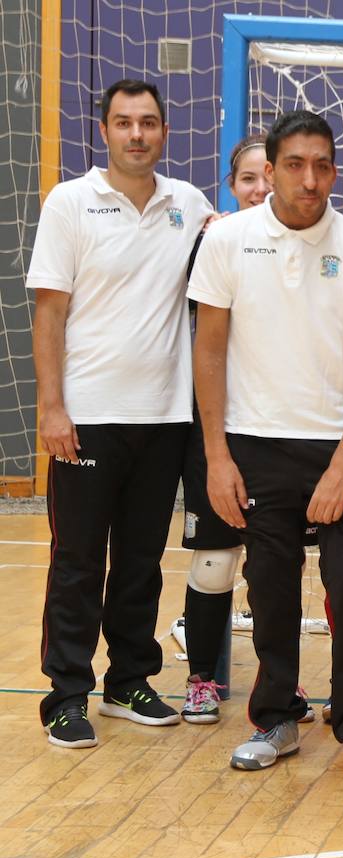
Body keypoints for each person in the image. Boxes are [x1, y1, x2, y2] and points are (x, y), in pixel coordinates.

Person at [189, 110, 343, 783]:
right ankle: (275, 717)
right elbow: (209, 348)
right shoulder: (228, 241)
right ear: (271, 168)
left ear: (333, 171)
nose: (310, 179)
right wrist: (217, 456)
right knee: (270, 587)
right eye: (294, 164)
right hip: (255, 444)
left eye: (322, 165)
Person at [27, 78, 215, 747]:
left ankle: (129, 679)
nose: (138, 134)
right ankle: (66, 694)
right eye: (124, 122)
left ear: (165, 131)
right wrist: (52, 406)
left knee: (140, 560)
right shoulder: (70, 203)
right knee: (79, 560)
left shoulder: (188, 205)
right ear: (103, 131)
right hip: (86, 414)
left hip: (164, 418)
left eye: (150, 123)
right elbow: (48, 312)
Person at [179, 133, 277, 726]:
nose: (260, 189)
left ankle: (276, 679)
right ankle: (200, 679)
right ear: (230, 186)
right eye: (247, 179)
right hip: (217, 425)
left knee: (273, 562)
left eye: (269, 176)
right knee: (214, 563)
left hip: (279, 427)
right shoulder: (212, 243)